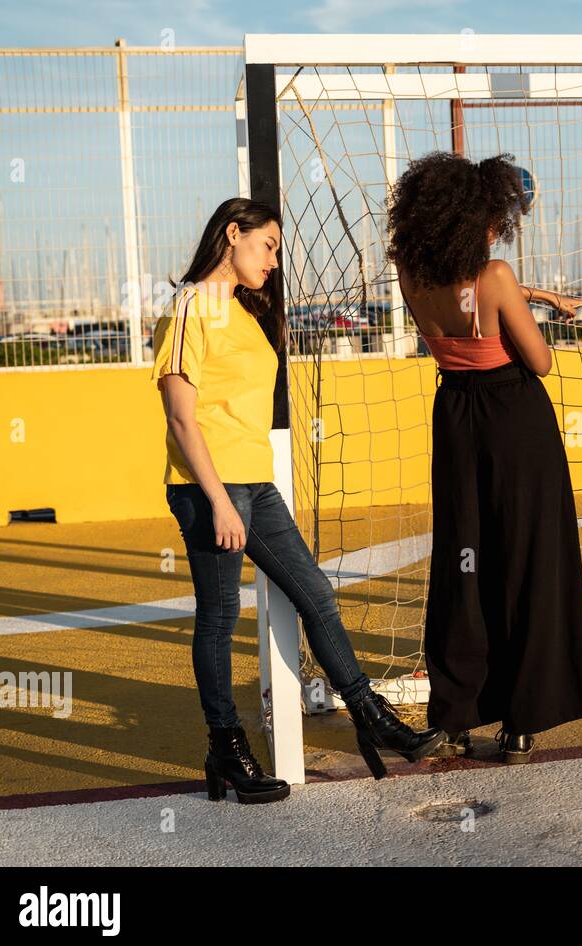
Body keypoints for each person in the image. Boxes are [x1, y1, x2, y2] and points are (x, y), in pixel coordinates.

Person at [154, 197, 444, 804]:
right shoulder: (191, 307)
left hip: (255, 481)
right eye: (268, 245)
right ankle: (226, 749)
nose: (275, 259)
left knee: (314, 591)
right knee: (218, 616)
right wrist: (219, 502)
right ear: (232, 234)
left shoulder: (241, 310)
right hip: (212, 489)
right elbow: (182, 418)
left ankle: (371, 716)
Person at [386, 151, 582, 765]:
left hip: (455, 418)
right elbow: (538, 360)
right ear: (476, 220)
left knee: (465, 562)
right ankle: (522, 720)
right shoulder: (497, 276)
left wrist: (537, 294)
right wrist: (531, 310)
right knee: (529, 562)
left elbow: (463, 292)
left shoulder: (409, 272)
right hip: (513, 421)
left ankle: (454, 713)